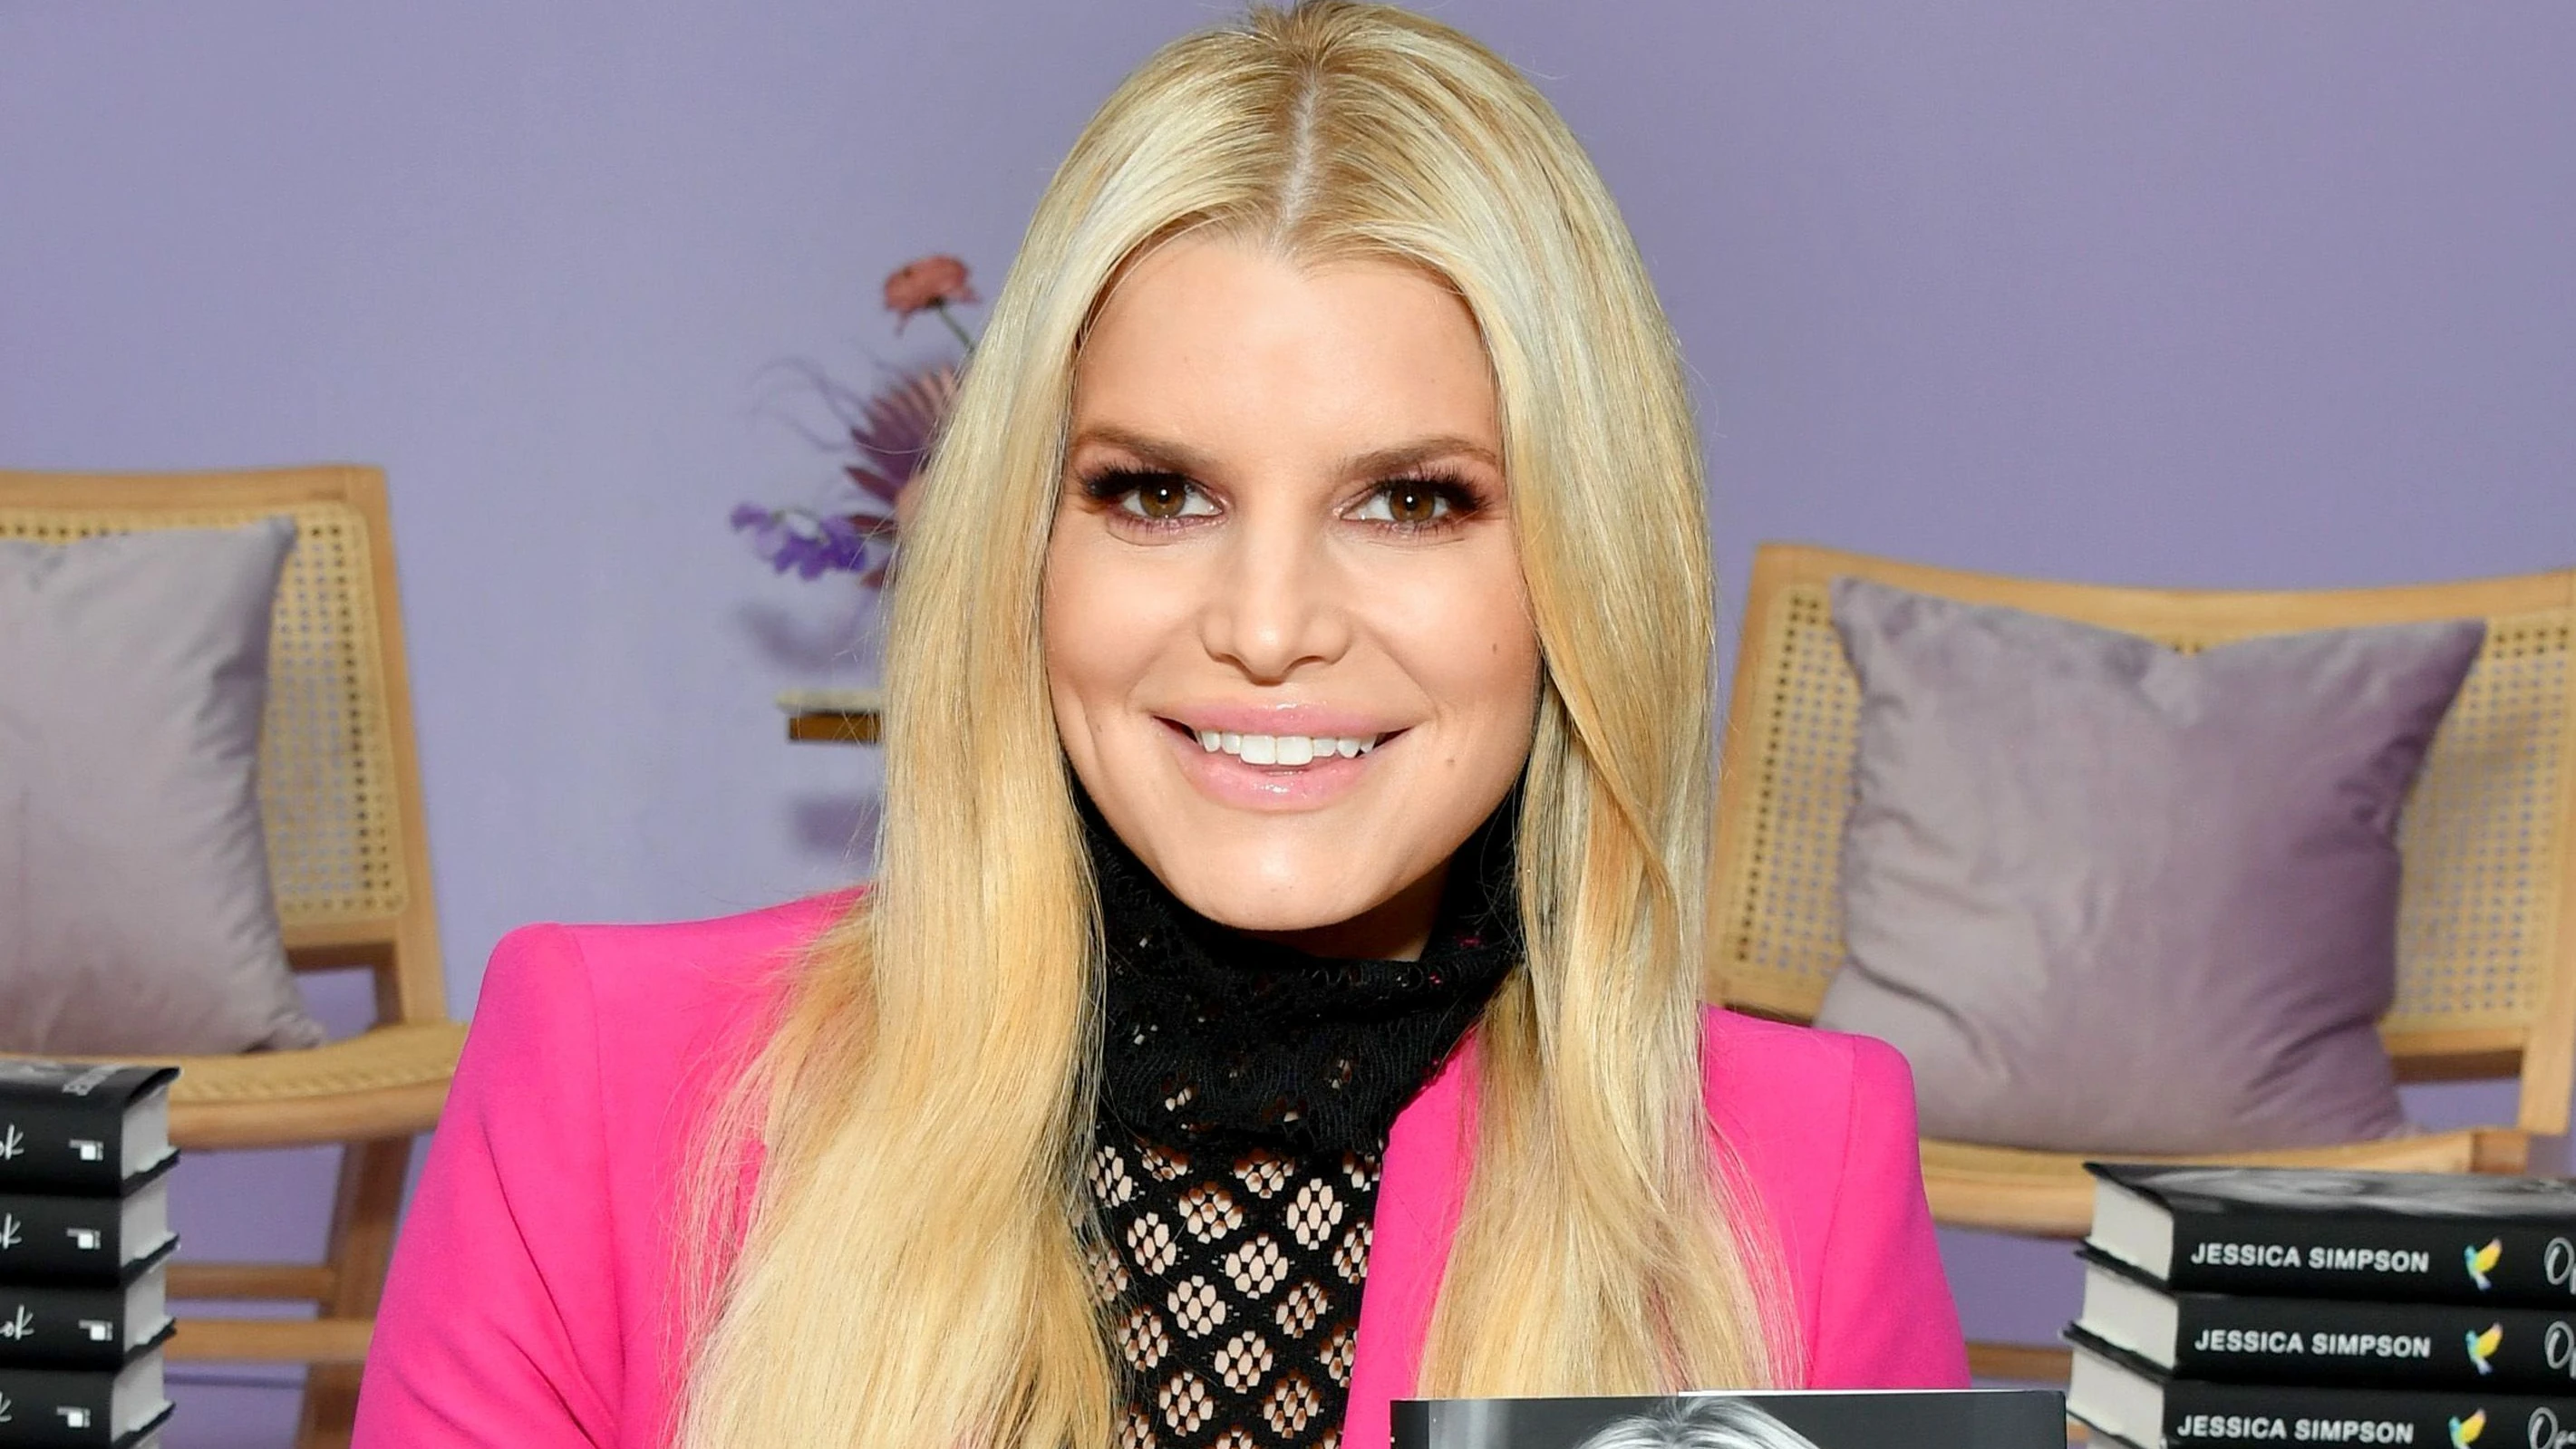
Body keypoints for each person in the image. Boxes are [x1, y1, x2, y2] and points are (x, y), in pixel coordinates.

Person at [352, 5, 1969, 1449]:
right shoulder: (609, 1084)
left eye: (1412, 500)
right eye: (1157, 492)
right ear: (1025, 545)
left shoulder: (1796, 1172)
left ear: (1586, 570)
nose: (1265, 625)